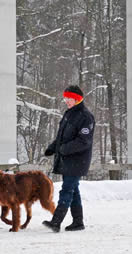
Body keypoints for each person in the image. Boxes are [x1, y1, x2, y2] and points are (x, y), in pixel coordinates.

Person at [42, 85, 95, 232]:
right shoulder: (69, 114)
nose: (66, 101)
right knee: (73, 190)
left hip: (78, 160)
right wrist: (52, 148)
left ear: (77, 99)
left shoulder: (85, 116)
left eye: (69, 98)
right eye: (65, 98)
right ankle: (78, 222)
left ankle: (56, 221)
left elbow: (84, 141)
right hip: (67, 159)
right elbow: (62, 137)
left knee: (66, 190)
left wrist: (65, 149)